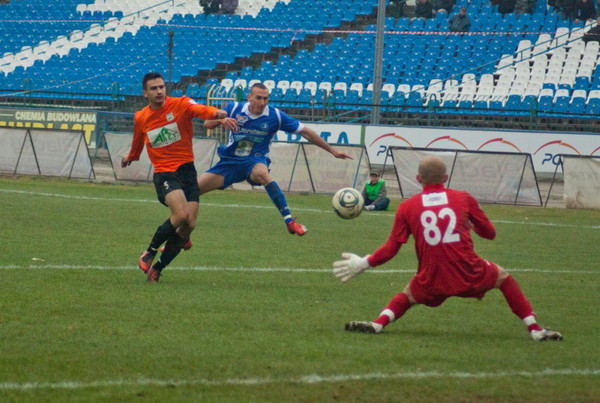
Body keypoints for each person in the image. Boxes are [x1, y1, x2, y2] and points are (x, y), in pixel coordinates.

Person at [333, 155, 562, 342]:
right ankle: (535, 329)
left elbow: (391, 249)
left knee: (409, 295)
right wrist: (472, 225)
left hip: (432, 276)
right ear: (445, 177)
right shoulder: (463, 198)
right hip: (468, 270)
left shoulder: (407, 207)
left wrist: (363, 263)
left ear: (418, 179)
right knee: (503, 278)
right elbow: (490, 233)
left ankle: (378, 323)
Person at [198, 82, 353, 236]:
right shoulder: (234, 108)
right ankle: (184, 232)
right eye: (258, 98)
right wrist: (221, 121)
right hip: (230, 162)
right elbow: (207, 123)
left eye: (266, 98)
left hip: (254, 160)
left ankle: (290, 221)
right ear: (249, 97)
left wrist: (333, 151)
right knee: (192, 191)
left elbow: (305, 132)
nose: (262, 102)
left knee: (262, 173)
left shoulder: (275, 116)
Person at [121, 72, 231, 283]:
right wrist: (131, 157)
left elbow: (200, 109)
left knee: (189, 224)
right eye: (154, 88)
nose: (159, 91)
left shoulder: (180, 104)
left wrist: (215, 112)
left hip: (187, 171)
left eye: (161, 87)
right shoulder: (141, 117)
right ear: (145, 93)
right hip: (165, 173)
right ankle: (150, 252)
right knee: (181, 215)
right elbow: (138, 141)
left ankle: (158, 269)